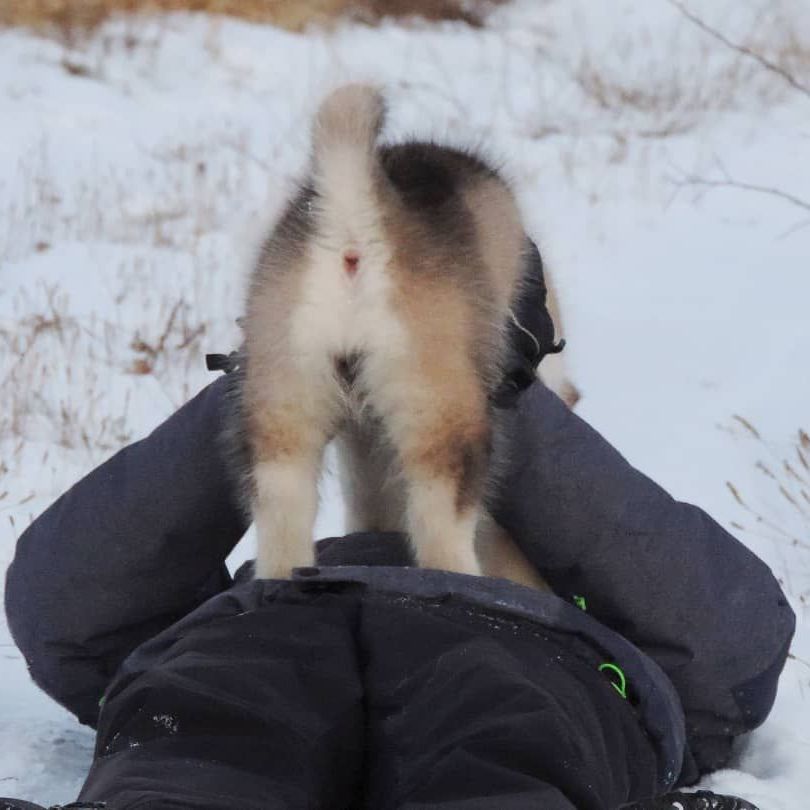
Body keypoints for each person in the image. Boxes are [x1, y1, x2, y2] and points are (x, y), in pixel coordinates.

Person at [2, 248, 793, 810]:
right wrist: (265, 391)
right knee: (202, 740)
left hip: (521, 656)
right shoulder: (237, 623)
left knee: (498, 738)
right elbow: (70, 603)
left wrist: (493, 400)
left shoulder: (578, 585)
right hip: (268, 637)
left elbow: (729, 644)